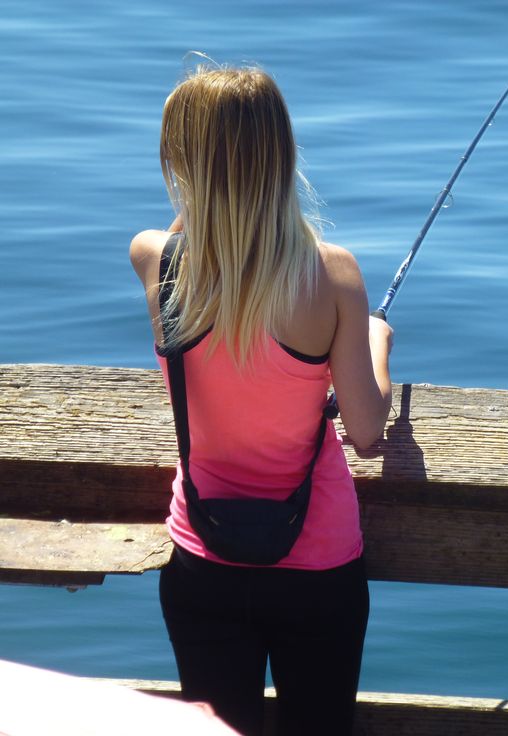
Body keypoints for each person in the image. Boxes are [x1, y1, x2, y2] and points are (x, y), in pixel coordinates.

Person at [129, 65, 393, 736]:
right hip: (319, 564)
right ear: (283, 157)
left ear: (182, 165)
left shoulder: (157, 260)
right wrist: (374, 338)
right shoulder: (332, 274)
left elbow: (187, 230)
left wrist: (205, 187)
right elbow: (365, 428)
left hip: (202, 561)